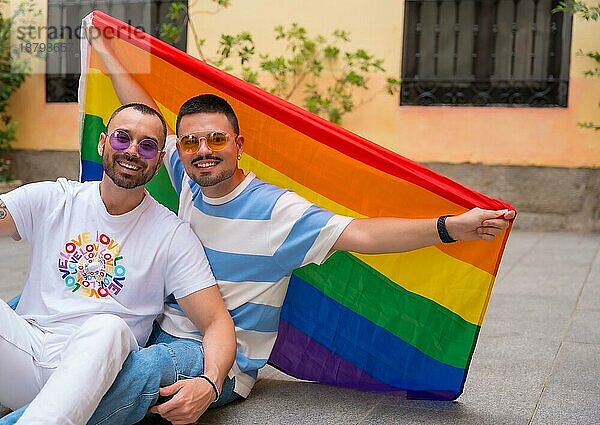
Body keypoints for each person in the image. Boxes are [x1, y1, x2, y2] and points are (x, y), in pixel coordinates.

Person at [5, 30, 516, 425]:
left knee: (127, 373)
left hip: (213, 351)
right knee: (23, 312)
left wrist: (451, 227)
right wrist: (110, 51)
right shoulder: (186, 178)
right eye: (190, 144)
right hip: (161, 328)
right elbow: (144, 120)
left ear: (238, 144)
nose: (202, 152)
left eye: (215, 141)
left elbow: (364, 235)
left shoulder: (277, 214)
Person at [0, 103, 235, 425]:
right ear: (102, 142)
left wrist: (210, 383)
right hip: (25, 354)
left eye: (148, 145)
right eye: (122, 138)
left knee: (108, 326)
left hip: (98, 372)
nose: (133, 151)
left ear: (159, 159)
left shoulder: (171, 234)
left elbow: (216, 323)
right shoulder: (54, 199)